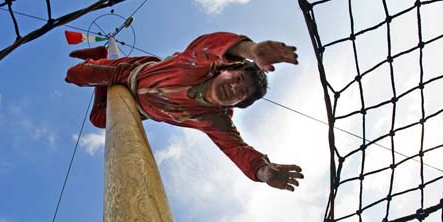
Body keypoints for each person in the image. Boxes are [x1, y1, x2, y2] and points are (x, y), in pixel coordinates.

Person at [65, 31, 304, 191]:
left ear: (238, 103)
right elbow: (212, 45)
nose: (234, 88)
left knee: (99, 119)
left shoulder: (215, 120)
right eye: (238, 78)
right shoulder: (198, 62)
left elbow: (236, 148)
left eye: (242, 92)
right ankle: (99, 57)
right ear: (226, 70)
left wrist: (262, 171)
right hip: (130, 73)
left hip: (141, 109)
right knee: (75, 74)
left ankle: (100, 65)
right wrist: (251, 50)